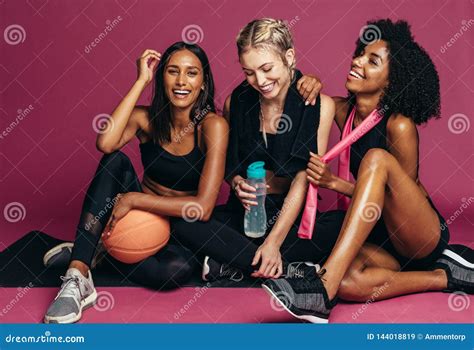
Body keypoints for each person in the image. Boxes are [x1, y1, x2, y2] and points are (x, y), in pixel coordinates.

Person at [263, 19, 473, 324]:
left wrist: (334, 182)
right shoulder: (341, 110)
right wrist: (308, 80)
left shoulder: (399, 125)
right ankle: (444, 275)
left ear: (391, 81)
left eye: (372, 60)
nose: (358, 61)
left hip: (417, 233)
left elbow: (394, 200)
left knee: (376, 158)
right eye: (360, 53)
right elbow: (304, 101)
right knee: (349, 283)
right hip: (381, 238)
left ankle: (322, 289)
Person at [43, 42, 229, 323]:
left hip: (181, 224)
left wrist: (134, 199)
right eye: (172, 71)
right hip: (140, 217)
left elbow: (203, 208)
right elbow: (105, 143)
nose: (181, 81)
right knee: (114, 160)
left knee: (175, 271)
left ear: (203, 83)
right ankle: (78, 274)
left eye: (191, 73)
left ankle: (98, 252)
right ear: (161, 78)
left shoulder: (213, 126)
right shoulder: (146, 119)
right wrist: (141, 80)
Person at [170, 18, 346, 282]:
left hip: (290, 218)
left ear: (289, 56)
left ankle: (237, 263)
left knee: (349, 225)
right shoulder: (237, 101)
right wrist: (237, 181)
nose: (259, 81)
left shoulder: (319, 104)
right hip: (245, 217)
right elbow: (228, 162)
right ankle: (287, 269)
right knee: (183, 220)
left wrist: (274, 242)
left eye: (266, 68)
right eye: (248, 72)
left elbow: (303, 178)